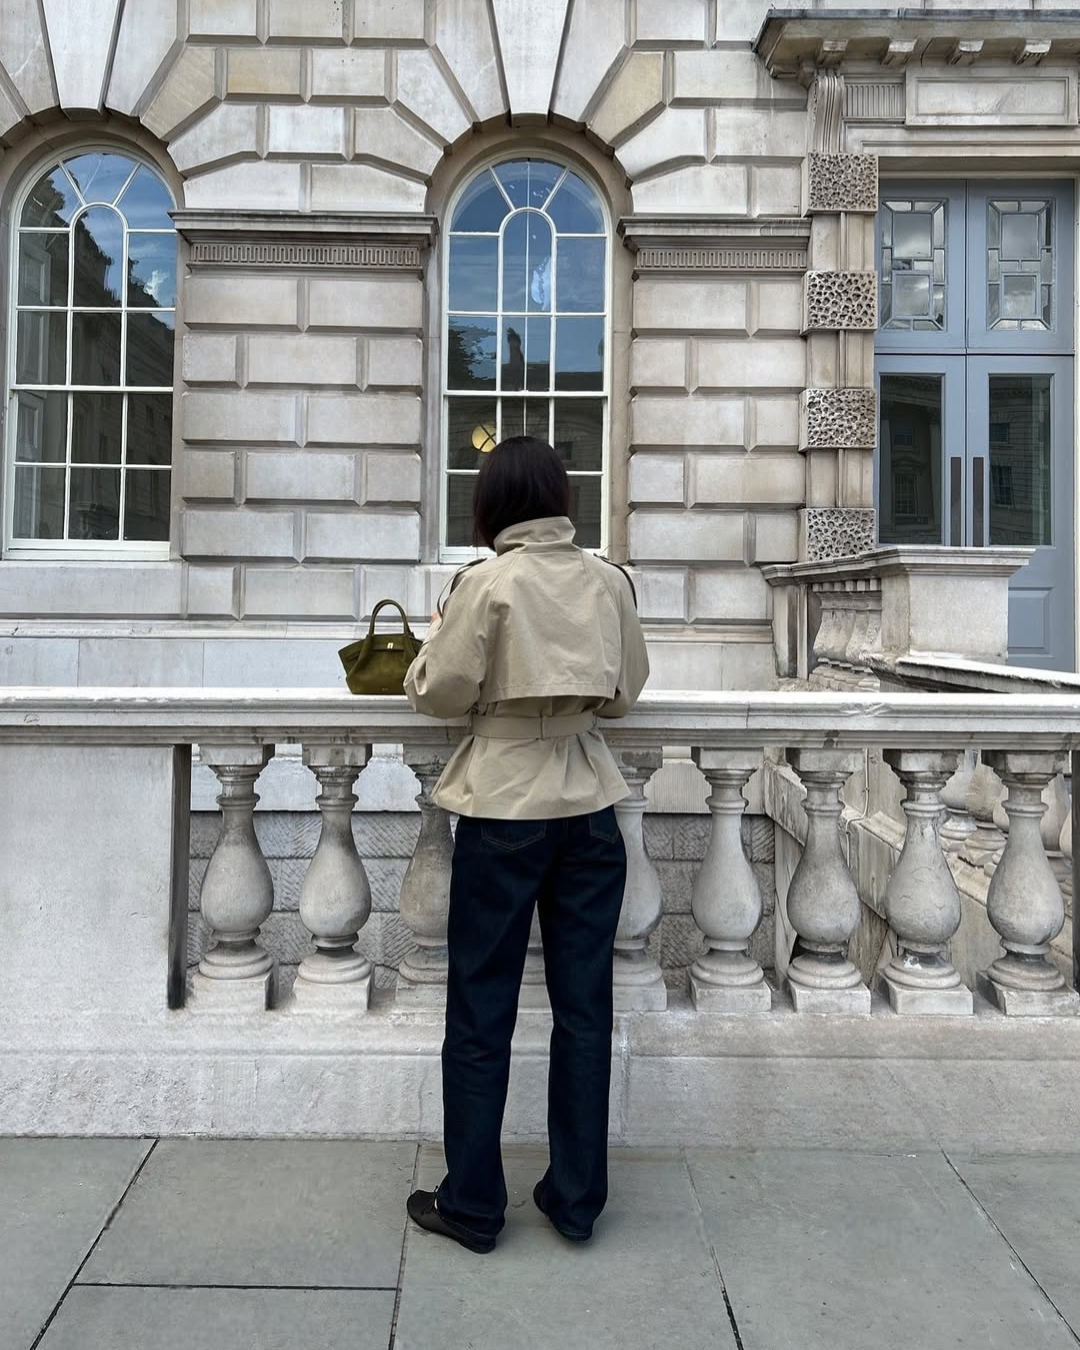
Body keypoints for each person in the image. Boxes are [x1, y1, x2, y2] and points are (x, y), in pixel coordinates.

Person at [402, 436, 649, 1254]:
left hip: (505, 805)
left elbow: (439, 693)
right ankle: (575, 1201)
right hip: (588, 805)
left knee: (481, 1009)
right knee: (584, 1010)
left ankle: (474, 1203)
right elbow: (625, 694)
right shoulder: (608, 580)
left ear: (492, 506)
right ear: (560, 500)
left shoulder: (484, 583)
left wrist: (432, 643)